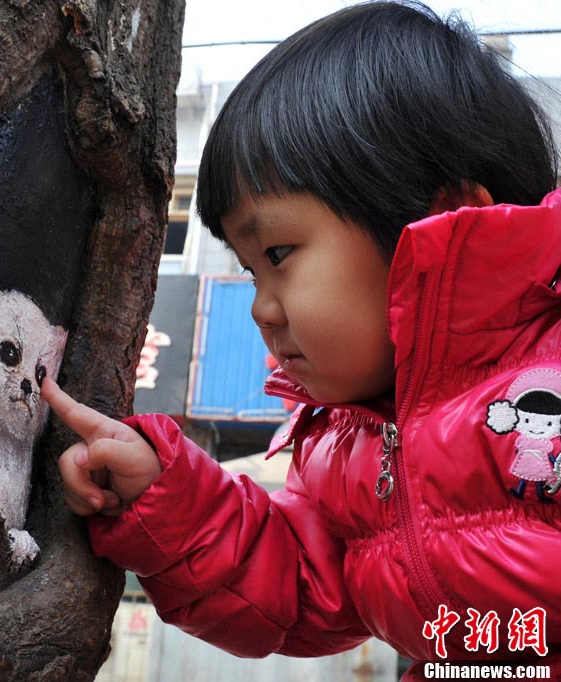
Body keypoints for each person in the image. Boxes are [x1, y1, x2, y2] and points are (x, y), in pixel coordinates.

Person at [41, 1, 561, 678]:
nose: (261, 308)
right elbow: (302, 585)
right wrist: (166, 501)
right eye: (249, 270)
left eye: (280, 253)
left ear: (446, 220)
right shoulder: (348, 451)